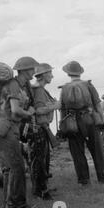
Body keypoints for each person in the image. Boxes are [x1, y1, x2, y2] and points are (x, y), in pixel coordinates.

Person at [0, 56, 39, 208]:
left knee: (10, 168)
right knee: (17, 167)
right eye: (32, 68)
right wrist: (29, 113)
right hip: (5, 130)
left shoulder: (21, 85)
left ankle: (9, 203)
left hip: (6, 129)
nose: (34, 71)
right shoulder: (13, 85)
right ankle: (16, 205)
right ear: (25, 70)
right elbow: (15, 110)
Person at [59, 61, 104, 185]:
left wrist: (63, 125)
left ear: (68, 73)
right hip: (89, 119)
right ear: (80, 72)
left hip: (72, 122)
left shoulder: (64, 88)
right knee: (97, 150)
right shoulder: (88, 85)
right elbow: (97, 105)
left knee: (77, 152)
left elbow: (62, 109)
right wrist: (100, 120)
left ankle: (84, 180)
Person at [30, 63, 61, 200]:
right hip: (39, 129)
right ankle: (40, 191)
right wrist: (54, 106)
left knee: (42, 160)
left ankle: (43, 187)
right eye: (50, 73)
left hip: (42, 128)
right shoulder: (39, 90)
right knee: (39, 161)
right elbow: (38, 110)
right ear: (43, 75)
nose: (52, 76)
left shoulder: (40, 89)